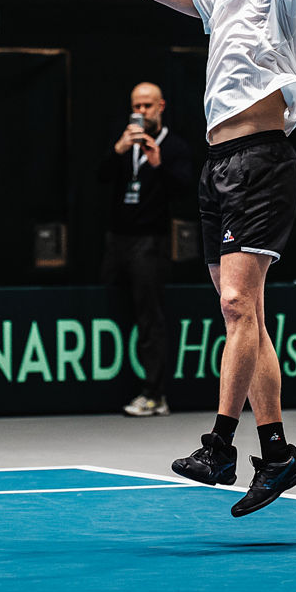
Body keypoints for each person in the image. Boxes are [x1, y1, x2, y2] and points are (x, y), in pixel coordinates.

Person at [128, 0, 296, 517]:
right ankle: (276, 454)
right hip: (218, 168)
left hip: (265, 160)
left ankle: (219, 444)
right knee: (247, 316)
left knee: (237, 304)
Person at [99, 82, 193, 418]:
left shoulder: (174, 146)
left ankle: (155, 394)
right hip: (117, 239)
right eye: (136, 106)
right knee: (112, 308)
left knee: (149, 316)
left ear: (161, 106)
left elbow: (183, 190)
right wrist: (118, 149)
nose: (141, 112)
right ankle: (112, 387)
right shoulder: (124, 143)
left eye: (147, 106)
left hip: (150, 241)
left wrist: (157, 164)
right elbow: (99, 176)